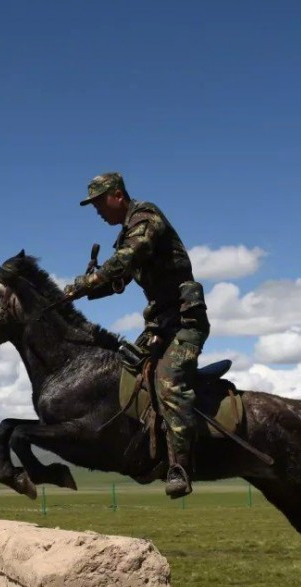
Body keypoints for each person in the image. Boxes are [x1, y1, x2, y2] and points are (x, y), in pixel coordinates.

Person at [65, 172, 210, 498]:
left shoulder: (146, 218)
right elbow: (120, 280)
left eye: (100, 202)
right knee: (125, 371)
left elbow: (123, 262)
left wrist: (79, 287)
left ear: (117, 195)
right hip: (159, 326)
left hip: (186, 323)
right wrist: (94, 287)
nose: (98, 211)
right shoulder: (128, 233)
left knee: (169, 383)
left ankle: (180, 469)